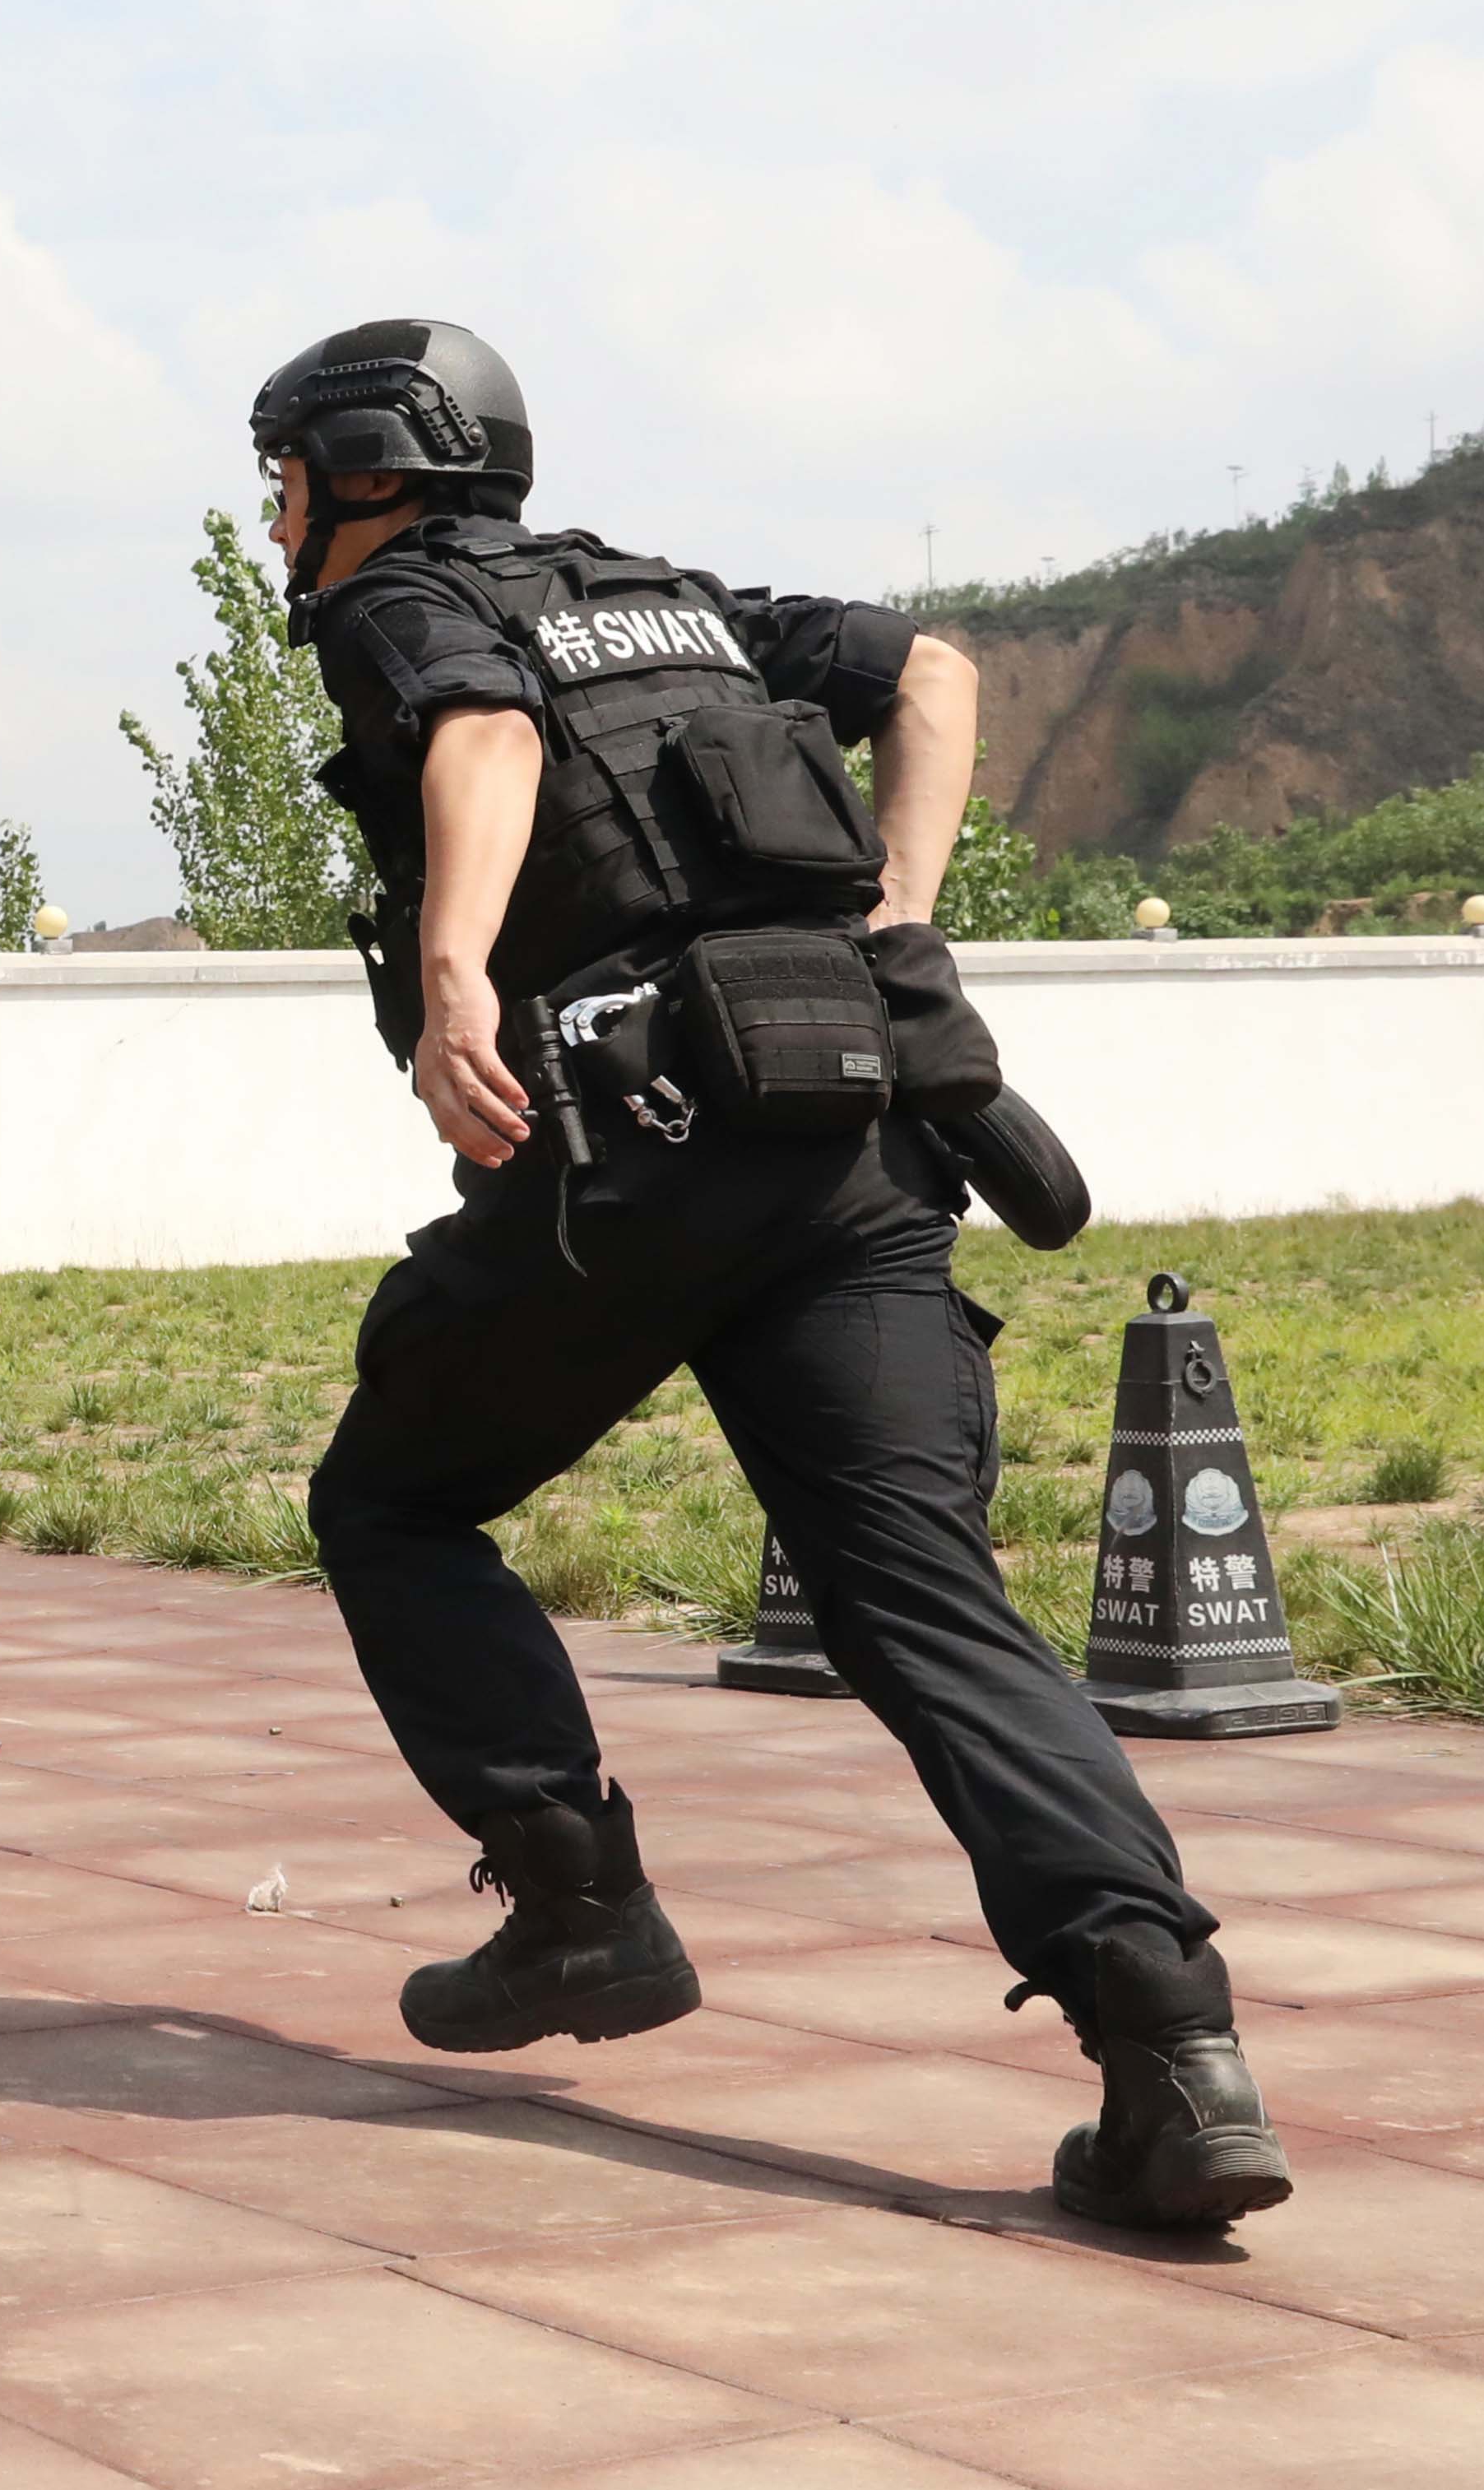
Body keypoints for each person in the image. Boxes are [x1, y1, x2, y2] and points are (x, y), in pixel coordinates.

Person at [257, 317, 1287, 2233]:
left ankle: (578, 1906)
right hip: (865, 1145)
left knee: (388, 1499)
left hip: (644, 1160)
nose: (282, 519)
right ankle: (1175, 2047)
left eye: (289, 480)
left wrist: (463, 974)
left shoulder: (407, 601)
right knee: (924, 1606)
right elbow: (937, 673)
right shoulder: (677, 602)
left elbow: (481, 731)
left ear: (372, 473)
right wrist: (901, 912)